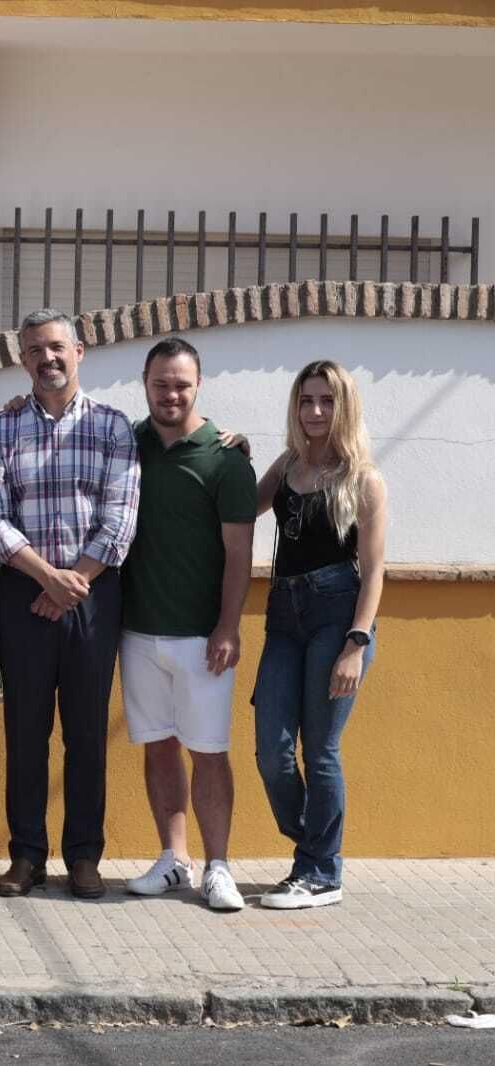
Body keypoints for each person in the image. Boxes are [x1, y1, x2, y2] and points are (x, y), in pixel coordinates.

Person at [0, 309, 139, 901]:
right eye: (35, 350)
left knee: (87, 732)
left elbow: (121, 518)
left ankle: (84, 857)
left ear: (79, 353)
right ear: (23, 360)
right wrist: (47, 578)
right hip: (24, 591)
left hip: (94, 592)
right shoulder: (1, 430)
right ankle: (26, 855)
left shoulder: (113, 427)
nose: (48, 359)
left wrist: (75, 581)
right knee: (24, 729)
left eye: (57, 348)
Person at [115, 338, 256, 912]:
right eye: (160, 383)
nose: (171, 393)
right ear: (144, 382)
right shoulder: (124, 444)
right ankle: (174, 861)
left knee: (210, 751)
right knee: (157, 748)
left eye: (182, 384)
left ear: (198, 385)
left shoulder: (227, 459)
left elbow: (240, 555)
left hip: (203, 637)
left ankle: (218, 866)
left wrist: (229, 626)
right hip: (137, 631)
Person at [251, 360, 386, 910]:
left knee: (321, 751)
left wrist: (356, 642)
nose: (314, 412)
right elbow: (240, 508)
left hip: (338, 615)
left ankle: (319, 872)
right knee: (272, 751)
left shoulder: (364, 480)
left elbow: (375, 569)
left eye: (326, 402)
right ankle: (314, 849)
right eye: (306, 400)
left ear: (344, 407)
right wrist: (227, 452)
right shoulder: (286, 467)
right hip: (284, 614)